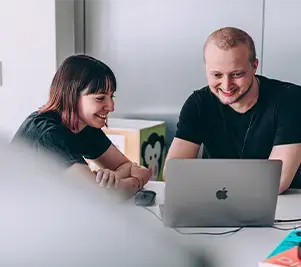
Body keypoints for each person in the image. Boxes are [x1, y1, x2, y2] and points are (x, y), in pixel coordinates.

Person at [165, 27, 301, 194]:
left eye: (236, 74)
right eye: (217, 75)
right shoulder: (198, 103)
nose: (226, 85)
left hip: (284, 205)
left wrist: (208, 182)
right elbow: (173, 174)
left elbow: (276, 181)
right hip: (216, 201)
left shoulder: (290, 100)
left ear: (255, 66)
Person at [11, 54, 152, 193]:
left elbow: (124, 165)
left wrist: (113, 178)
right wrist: (138, 181)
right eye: (100, 98)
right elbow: (100, 199)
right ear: (71, 96)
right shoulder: (49, 135)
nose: (111, 107)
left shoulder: (82, 123)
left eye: (111, 96)